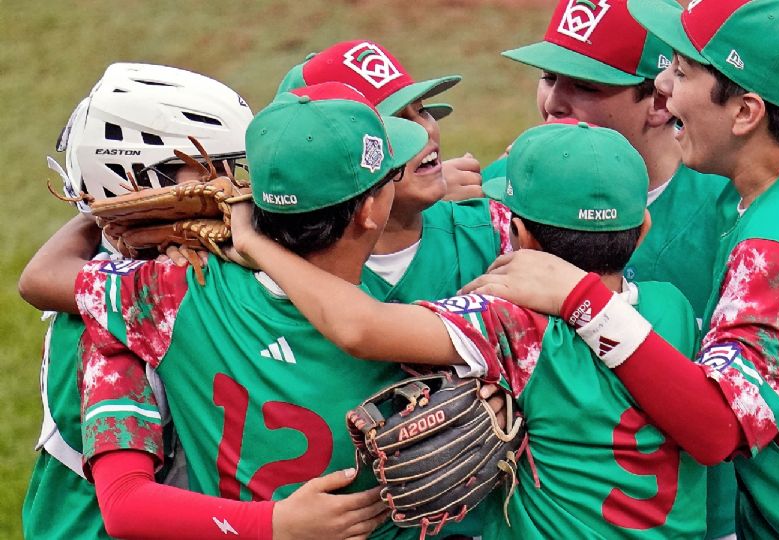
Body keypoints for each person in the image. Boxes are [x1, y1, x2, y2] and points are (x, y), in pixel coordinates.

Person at [462, 0, 779, 536]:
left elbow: (720, 426)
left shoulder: (777, 251)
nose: (663, 87)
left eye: (680, 70)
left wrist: (586, 302)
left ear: (746, 112)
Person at [228, 119, 712, 538]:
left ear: (518, 233)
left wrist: (258, 243)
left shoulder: (512, 322)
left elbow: (359, 327)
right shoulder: (670, 307)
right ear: (643, 227)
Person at [71, 82, 449, 540]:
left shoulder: (167, 294)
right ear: (369, 211)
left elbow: (45, 279)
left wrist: (93, 198)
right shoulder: (412, 325)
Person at [488, 0, 735, 535]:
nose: (554, 101)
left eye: (586, 85)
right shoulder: (502, 191)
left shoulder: (732, 216)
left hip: (698, 515)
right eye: (550, 76)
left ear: (659, 101)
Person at [18, 62, 254, 539]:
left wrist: (100, 206)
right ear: (137, 181)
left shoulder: (107, 264)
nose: (234, 187)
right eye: (212, 168)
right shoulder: (135, 302)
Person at [277, 41, 511, 303]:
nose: (426, 130)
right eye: (398, 121)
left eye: (422, 110)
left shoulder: (494, 233)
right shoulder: (284, 271)